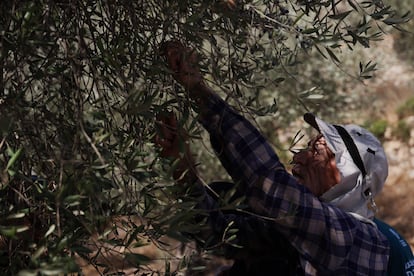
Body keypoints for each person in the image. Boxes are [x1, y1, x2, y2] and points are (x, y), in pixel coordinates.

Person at [157, 40, 414, 275]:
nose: (298, 157)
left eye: (316, 151)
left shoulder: (358, 240)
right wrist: (182, 165)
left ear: (346, 176)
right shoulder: (299, 231)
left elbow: (270, 186)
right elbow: (214, 232)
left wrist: (198, 92)